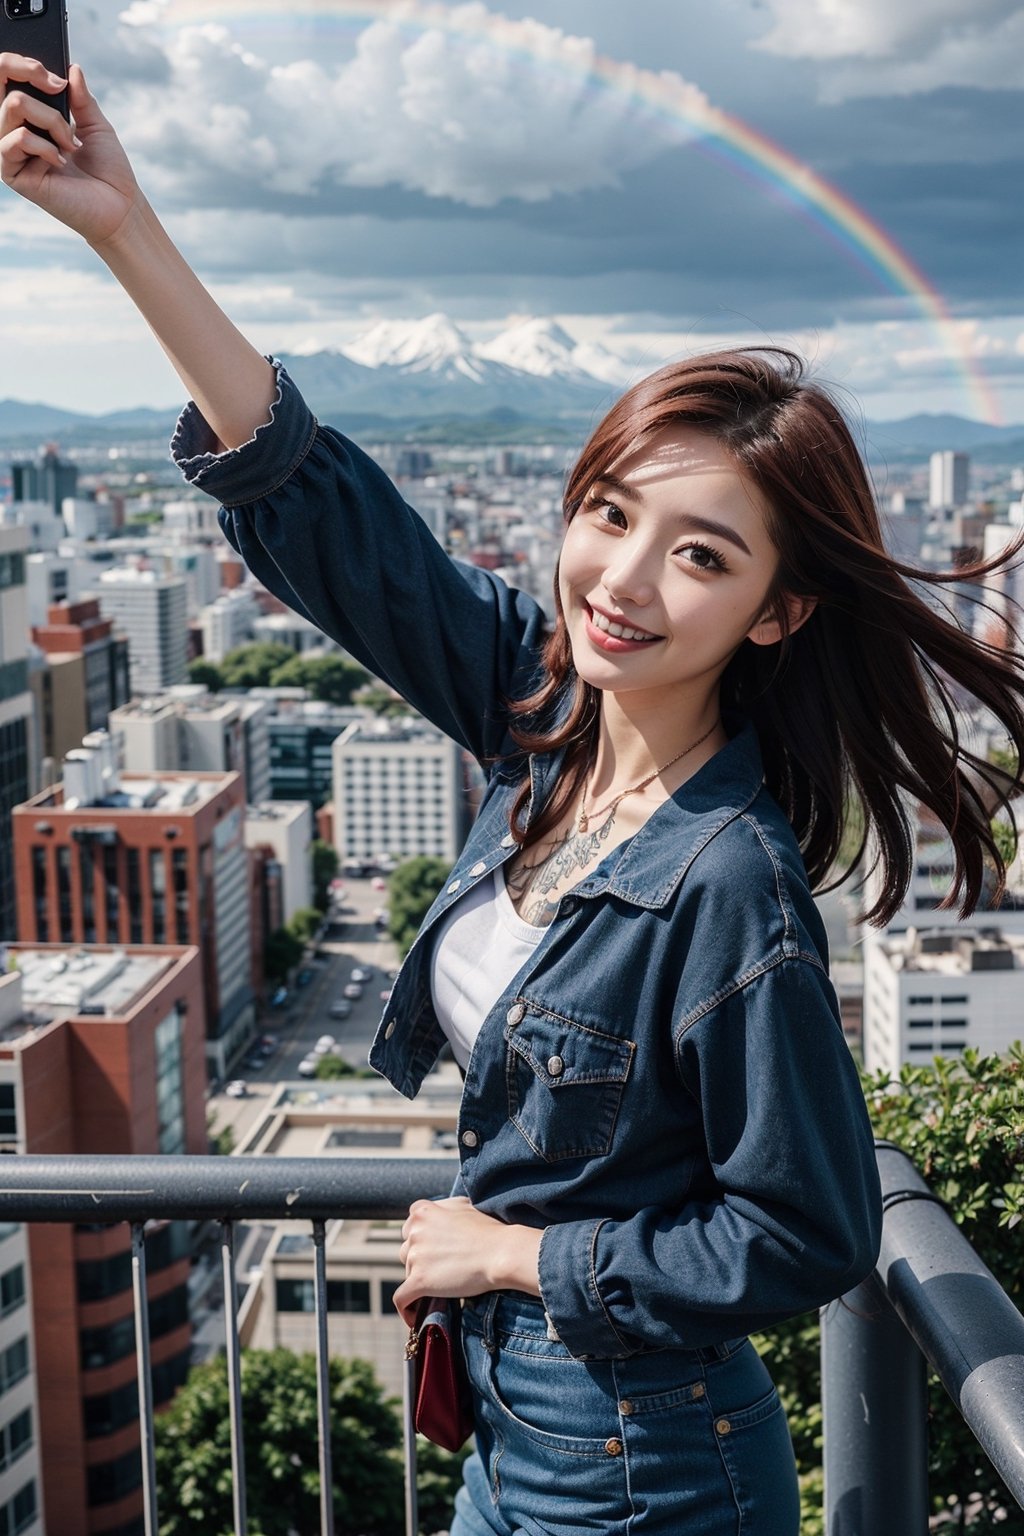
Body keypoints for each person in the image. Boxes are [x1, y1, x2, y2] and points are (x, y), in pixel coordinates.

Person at [5, 61, 1024, 1536]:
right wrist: (123, 226)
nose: (621, 578)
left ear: (779, 612)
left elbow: (809, 1229)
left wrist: (521, 1260)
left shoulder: (730, 881)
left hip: (644, 1463)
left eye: (700, 553)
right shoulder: (537, 712)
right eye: (611, 513)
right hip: (515, 1428)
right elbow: (321, 511)